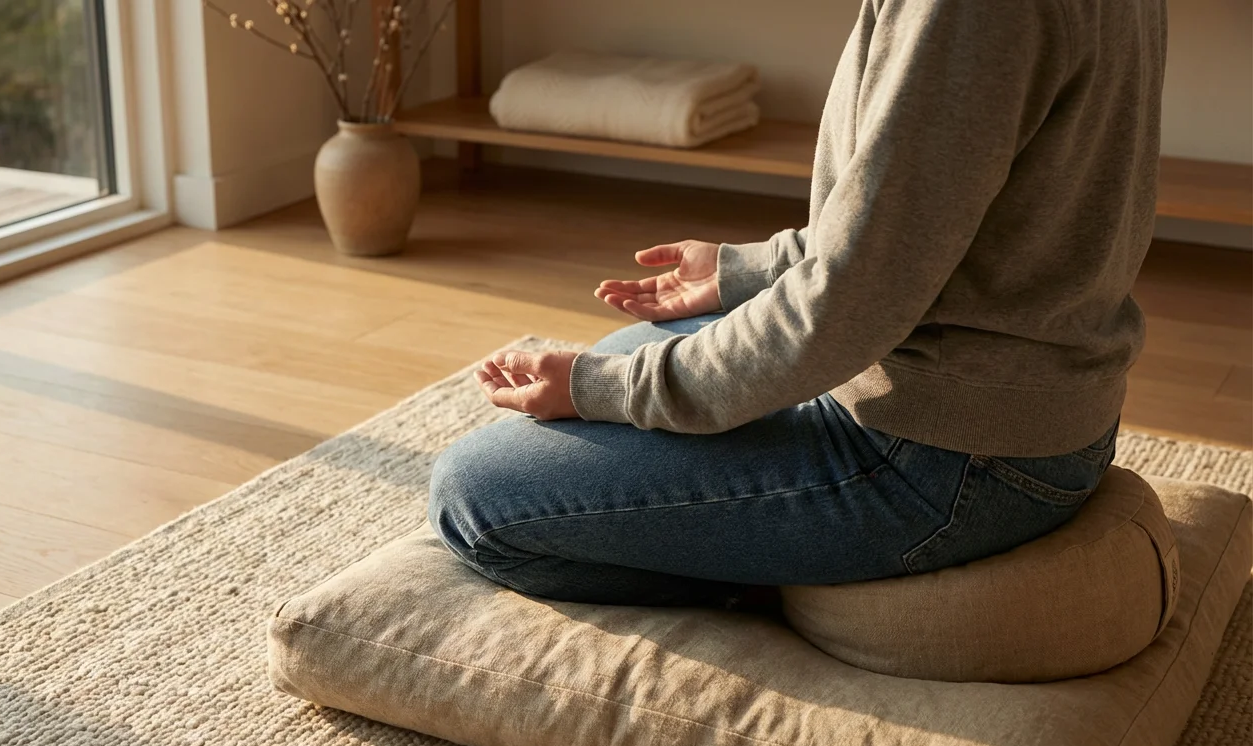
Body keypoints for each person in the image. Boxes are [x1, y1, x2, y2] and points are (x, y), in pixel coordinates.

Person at [428, 0, 1165, 607]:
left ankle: (780, 588)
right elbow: (940, 218)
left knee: (476, 498)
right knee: (633, 353)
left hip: (946, 459)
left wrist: (606, 390)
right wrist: (745, 273)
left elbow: (848, 304)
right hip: (1011, 407)